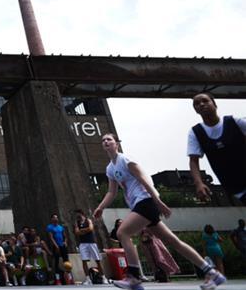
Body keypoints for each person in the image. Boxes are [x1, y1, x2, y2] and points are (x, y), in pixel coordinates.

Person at [93, 133, 226, 290]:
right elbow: (112, 192)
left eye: (109, 139)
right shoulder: (110, 168)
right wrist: (101, 207)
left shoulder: (126, 160)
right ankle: (212, 272)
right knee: (173, 241)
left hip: (146, 201)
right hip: (139, 204)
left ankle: (134, 277)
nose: (105, 141)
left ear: (117, 144)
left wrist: (158, 201)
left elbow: (145, 180)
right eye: (103, 140)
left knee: (123, 232)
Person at [187, 93, 246, 204]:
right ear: (195, 110)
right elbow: (193, 161)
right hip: (234, 184)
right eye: (197, 103)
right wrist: (199, 183)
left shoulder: (235, 121)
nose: (201, 104)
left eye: (205, 101)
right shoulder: (196, 132)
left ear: (214, 104)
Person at [73, 210, 106, 284]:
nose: (78, 217)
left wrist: (82, 230)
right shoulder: (77, 223)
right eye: (76, 216)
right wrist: (85, 230)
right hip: (82, 244)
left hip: (91, 243)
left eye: (79, 215)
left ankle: (104, 277)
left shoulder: (88, 220)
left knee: (97, 260)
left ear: (82, 214)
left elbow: (91, 228)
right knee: (84, 261)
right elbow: (77, 232)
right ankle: (88, 279)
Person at [46, 214, 68, 281]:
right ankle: (57, 278)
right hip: (55, 246)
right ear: (51, 219)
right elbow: (51, 238)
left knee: (66, 261)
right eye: (54, 218)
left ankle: (68, 277)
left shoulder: (61, 227)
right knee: (56, 261)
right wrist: (56, 246)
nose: (56, 219)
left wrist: (65, 242)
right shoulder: (50, 227)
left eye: (57, 217)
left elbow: (65, 236)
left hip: (62, 245)